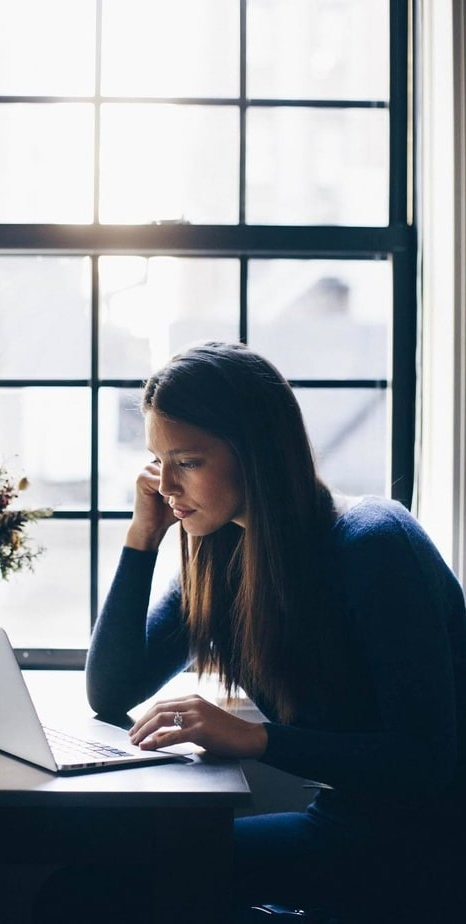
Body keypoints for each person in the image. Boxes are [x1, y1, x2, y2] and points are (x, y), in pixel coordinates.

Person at [84, 341, 466, 923]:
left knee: (119, 894)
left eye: (186, 461)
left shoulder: (375, 544)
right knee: (92, 885)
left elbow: (426, 760)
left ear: (256, 452)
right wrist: (143, 538)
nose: (166, 485)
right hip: (344, 832)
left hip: (421, 857)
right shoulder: (224, 558)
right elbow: (111, 691)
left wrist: (255, 739)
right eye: (158, 462)